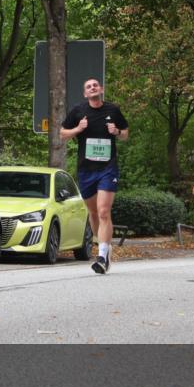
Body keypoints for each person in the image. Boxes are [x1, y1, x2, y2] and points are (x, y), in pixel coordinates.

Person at [59, 78, 129, 274]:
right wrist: (78, 129)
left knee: (104, 211)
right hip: (86, 170)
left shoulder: (112, 110)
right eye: (88, 86)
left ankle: (102, 254)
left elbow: (125, 134)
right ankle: (104, 246)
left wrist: (117, 132)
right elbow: (63, 134)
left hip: (108, 168)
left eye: (95, 85)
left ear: (101, 89)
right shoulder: (78, 111)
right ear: (85, 93)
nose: (92, 88)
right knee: (93, 213)